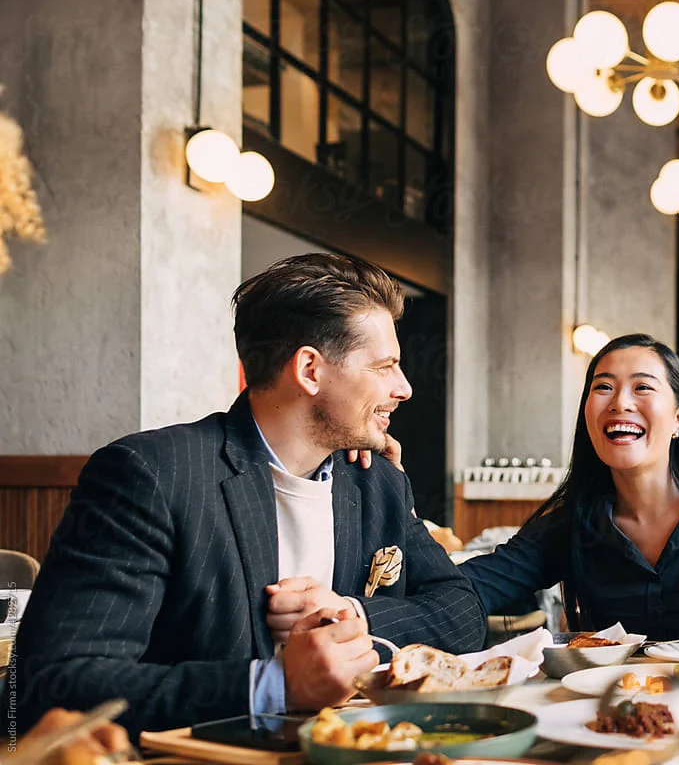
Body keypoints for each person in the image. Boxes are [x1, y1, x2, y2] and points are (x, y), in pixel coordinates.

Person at [11, 254, 486, 737]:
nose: (403, 388)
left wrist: (353, 617)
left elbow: (463, 609)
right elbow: (54, 683)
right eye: (385, 366)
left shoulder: (375, 481)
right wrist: (272, 685)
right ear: (309, 370)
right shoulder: (152, 474)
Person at [461, 333, 679, 641]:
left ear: (678, 419)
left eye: (643, 387)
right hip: (620, 703)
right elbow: (474, 585)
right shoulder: (573, 522)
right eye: (603, 387)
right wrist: (409, 524)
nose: (620, 402)